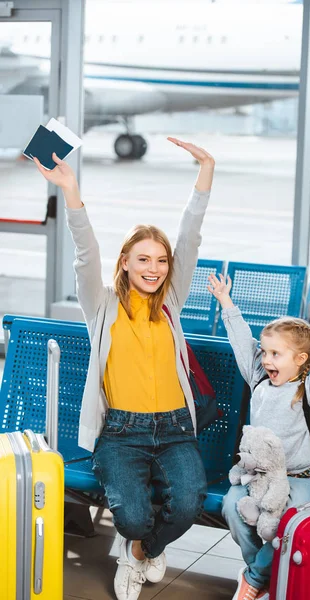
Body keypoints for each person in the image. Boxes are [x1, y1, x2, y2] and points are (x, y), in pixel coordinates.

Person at [33, 138, 215, 600]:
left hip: (175, 427)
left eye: (161, 261)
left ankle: (139, 553)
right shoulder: (103, 305)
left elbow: (190, 236)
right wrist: (70, 189)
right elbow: (85, 251)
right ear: (126, 264)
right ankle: (136, 540)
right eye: (143, 260)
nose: (153, 269)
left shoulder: (171, 302)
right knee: (131, 516)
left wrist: (205, 172)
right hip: (121, 432)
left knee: (189, 504)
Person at [207, 274, 310, 600]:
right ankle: (265, 575)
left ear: (300, 360)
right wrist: (227, 304)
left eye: (275, 354)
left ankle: (253, 580)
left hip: (300, 478)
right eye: (265, 352)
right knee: (231, 507)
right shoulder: (259, 380)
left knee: (288, 526)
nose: (266, 359)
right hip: (258, 477)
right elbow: (243, 343)